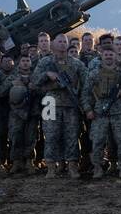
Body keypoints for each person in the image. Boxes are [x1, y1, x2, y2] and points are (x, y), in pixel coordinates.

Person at [30, 33, 86, 180]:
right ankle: (51, 168)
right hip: (50, 103)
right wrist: (47, 74)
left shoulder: (76, 63)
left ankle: (72, 167)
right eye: (59, 41)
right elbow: (34, 80)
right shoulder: (45, 62)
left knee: (72, 135)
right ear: (53, 44)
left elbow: (87, 83)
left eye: (64, 42)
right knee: (51, 135)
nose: (62, 44)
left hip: (70, 103)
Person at [82, 46, 121, 181]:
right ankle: (98, 168)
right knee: (98, 140)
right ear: (102, 55)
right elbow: (86, 93)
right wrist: (88, 109)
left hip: (118, 110)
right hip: (100, 110)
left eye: (111, 54)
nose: (109, 56)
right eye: (106, 54)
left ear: (115, 56)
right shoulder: (93, 73)